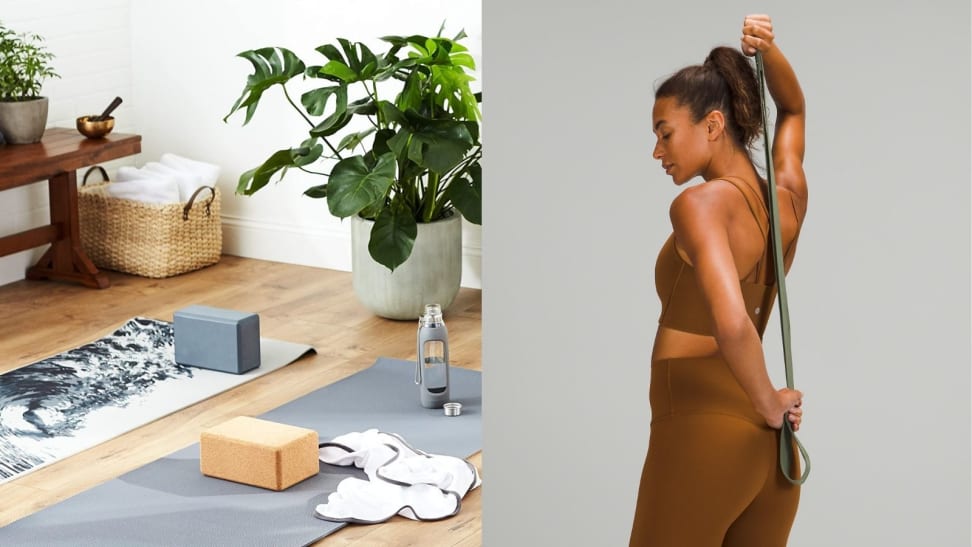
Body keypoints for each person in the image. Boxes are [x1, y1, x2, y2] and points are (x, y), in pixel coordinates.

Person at [629, 14, 808, 547]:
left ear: (711, 125)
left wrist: (767, 400)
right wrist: (769, 52)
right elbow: (794, 109)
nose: (657, 152)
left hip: (701, 434)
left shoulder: (700, 205)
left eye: (665, 134)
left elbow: (732, 325)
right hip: (770, 454)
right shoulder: (786, 198)